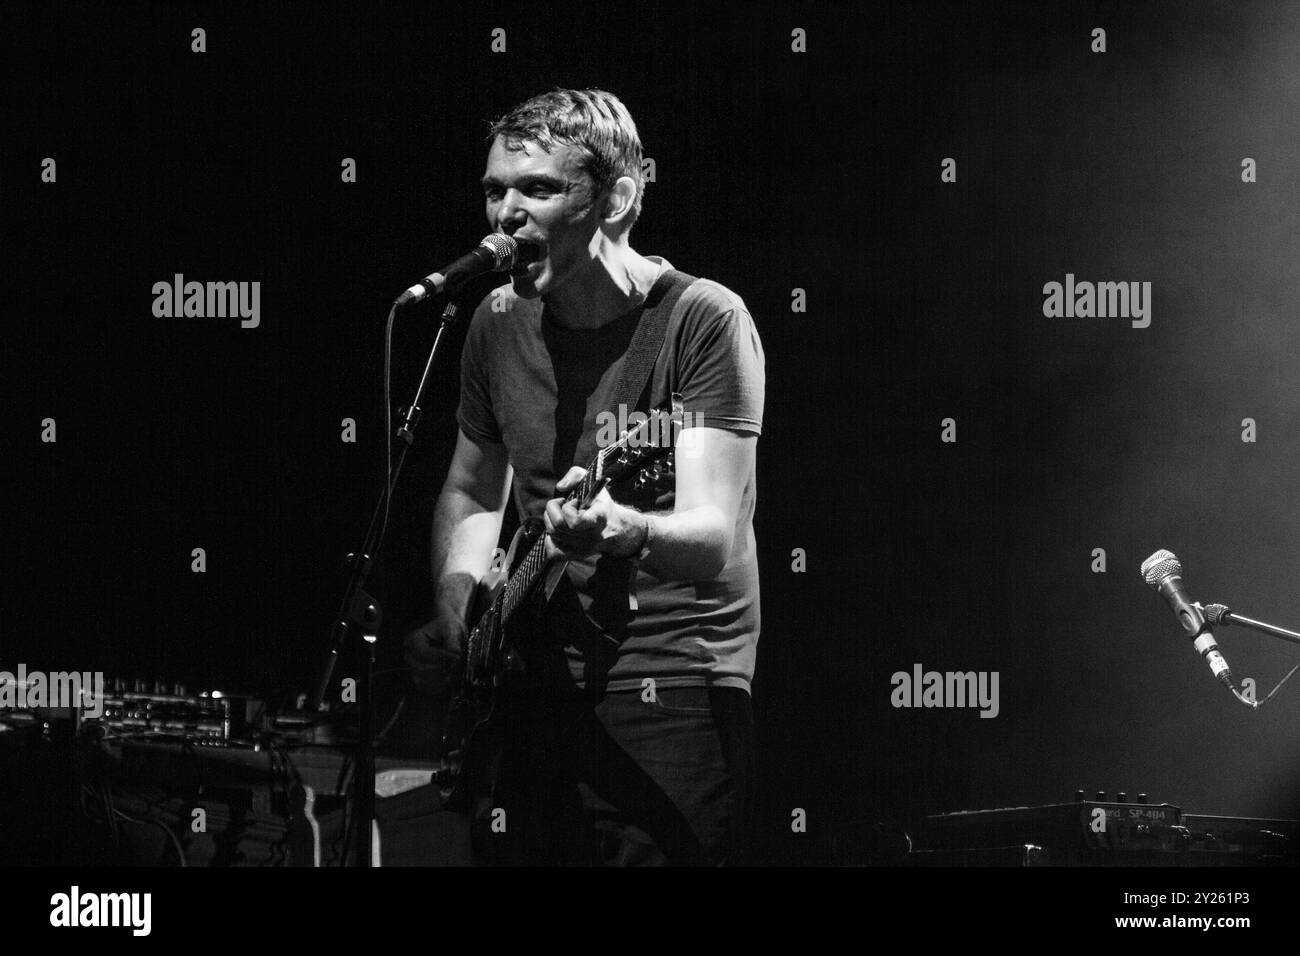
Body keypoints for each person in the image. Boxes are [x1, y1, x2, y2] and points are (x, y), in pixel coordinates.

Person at [405, 88, 765, 865]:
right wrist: (455, 605)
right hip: (530, 686)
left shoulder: (704, 321)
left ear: (618, 199)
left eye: (537, 189)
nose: (505, 212)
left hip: (669, 681)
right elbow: (472, 489)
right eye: (495, 189)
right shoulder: (495, 322)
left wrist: (619, 527)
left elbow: (710, 536)